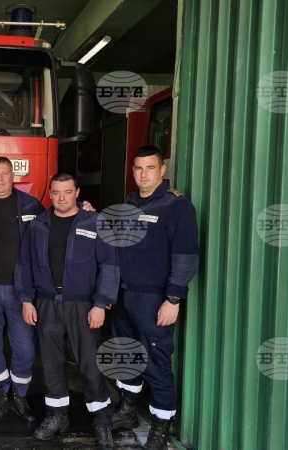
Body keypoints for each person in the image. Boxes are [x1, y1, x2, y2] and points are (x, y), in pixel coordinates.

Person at [16, 173, 119, 449]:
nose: (62, 197)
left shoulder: (94, 222)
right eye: (56, 192)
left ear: (77, 193)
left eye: (67, 192)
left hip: (82, 304)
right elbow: (24, 264)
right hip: (46, 303)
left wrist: (100, 304)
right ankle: (57, 415)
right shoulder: (38, 225)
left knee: (89, 363)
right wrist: (26, 300)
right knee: (51, 362)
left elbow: (109, 265)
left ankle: (102, 420)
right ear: (50, 194)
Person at [110, 145, 199, 450]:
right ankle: (128, 409)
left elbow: (186, 257)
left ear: (162, 170)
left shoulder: (177, 206)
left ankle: (161, 426)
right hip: (123, 296)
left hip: (153, 299)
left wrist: (173, 299)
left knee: (157, 362)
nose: (143, 174)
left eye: (150, 168)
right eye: (138, 168)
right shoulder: (130, 203)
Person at [0, 156, 45, 424]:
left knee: (25, 348)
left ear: (13, 177)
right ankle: (0, 395)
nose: (0, 178)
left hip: (21, 291)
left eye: (5, 173)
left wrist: (84, 210)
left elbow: (57, 225)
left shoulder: (31, 205)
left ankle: (20, 395)